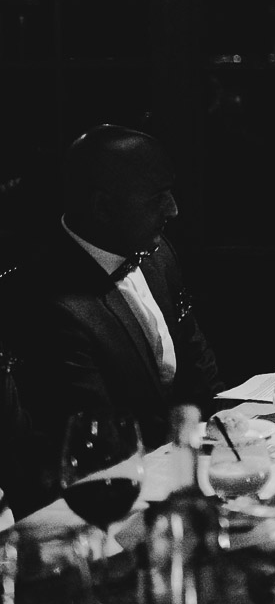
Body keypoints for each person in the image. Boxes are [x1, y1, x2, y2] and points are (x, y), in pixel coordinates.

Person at [11, 125, 222, 456]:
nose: (173, 209)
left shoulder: (158, 253)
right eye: (158, 197)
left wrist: (224, 428)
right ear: (103, 208)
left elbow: (197, 360)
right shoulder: (48, 303)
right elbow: (97, 436)